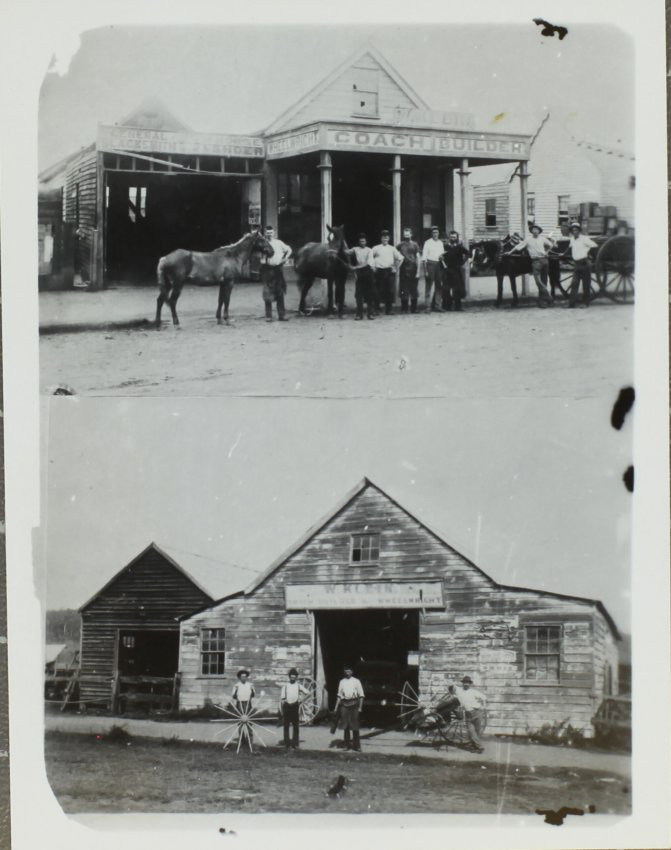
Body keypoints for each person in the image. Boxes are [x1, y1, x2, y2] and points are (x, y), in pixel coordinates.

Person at [507, 223, 555, 307]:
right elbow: (518, 246)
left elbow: (551, 245)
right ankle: (549, 297)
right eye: (533, 229)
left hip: (544, 261)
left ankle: (542, 302)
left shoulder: (543, 239)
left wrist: (546, 252)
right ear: (531, 231)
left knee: (544, 281)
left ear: (539, 231)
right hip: (536, 262)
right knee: (538, 282)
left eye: (537, 229)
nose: (535, 231)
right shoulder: (528, 240)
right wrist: (510, 252)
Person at [260, 224, 292, 322]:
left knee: (280, 292)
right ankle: (269, 316)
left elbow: (289, 249)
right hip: (268, 270)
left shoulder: (279, 243)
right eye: (267, 233)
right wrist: (263, 261)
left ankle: (282, 315)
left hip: (278, 269)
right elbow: (261, 259)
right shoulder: (263, 244)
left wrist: (285, 259)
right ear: (265, 234)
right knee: (267, 293)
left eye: (271, 233)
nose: (269, 234)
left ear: (274, 233)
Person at [565, 222, 597, 307]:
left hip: (585, 263)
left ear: (579, 230)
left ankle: (586, 303)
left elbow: (594, 246)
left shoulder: (585, 239)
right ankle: (571, 304)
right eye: (573, 230)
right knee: (574, 283)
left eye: (576, 230)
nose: (574, 231)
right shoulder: (572, 239)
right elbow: (570, 247)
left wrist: (591, 257)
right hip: (577, 264)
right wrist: (563, 254)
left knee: (586, 284)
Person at [333, 666, 365, 751]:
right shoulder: (342, 682)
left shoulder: (356, 681)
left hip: (354, 705)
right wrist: (336, 707)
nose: (347, 673)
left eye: (349, 671)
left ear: (352, 672)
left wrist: (360, 707)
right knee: (345, 726)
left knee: (355, 726)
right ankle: (347, 745)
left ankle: (357, 746)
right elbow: (339, 696)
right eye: (346, 671)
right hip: (344, 705)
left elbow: (361, 695)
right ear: (344, 672)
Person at [371, 231, 403, 315]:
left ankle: (389, 310)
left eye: (386, 237)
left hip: (389, 271)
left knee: (390, 291)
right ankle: (376, 309)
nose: (385, 238)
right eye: (383, 237)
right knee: (377, 290)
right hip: (379, 271)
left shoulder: (392, 248)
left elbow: (401, 258)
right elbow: (370, 258)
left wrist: (396, 268)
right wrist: (373, 267)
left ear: (389, 238)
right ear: (381, 238)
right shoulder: (376, 248)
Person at [454, 675, 487, 753]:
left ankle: (474, 747)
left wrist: (484, 706)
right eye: (464, 682)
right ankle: (479, 747)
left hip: (477, 712)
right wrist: (453, 682)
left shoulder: (473, 692)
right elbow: (451, 687)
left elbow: (484, 697)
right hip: (468, 714)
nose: (466, 684)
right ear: (462, 683)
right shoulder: (459, 691)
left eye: (468, 683)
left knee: (477, 731)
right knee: (471, 731)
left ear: (470, 684)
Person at [347, 234, 376, 320]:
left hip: (368, 272)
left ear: (366, 242)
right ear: (358, 242)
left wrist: (354, 267)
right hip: (359, 274)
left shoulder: (369, 250)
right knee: (359, 295)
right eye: (360, 241)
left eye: (363, 241)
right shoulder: (355, 249)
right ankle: (359, 314)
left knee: (370, 295)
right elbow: (346, 252)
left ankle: (370, 314)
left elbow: (368, 263)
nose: (362, 243)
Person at [440, 231, 470, 311]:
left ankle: (458, 307)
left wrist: (463, 261)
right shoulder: (445, 246)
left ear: (456, 238)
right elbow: (440, 255)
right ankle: (447, 306)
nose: (453, 239)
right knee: (446, 289)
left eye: (454, 237)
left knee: (457, 288)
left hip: (456, 270)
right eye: (451, 237)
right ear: (449, 238)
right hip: (447, 269)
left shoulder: (459, 247)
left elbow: (468, 253)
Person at [279, 668, 308, 750]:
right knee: (286, 725)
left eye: (294, 677)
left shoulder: (298, 686)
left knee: (296, 726)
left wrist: (302, 699)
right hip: (287, 706)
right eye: (291, 677)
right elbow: (282, 699)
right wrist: (282, 710)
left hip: (295, 706)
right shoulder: (285, 686)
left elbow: (308, 693)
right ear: (289, 677)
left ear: (296, 677)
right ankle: (287, 743)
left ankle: (295, 744)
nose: (292, 678)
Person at [396, 227, 421, 313]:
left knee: (413, 289)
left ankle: (414, 308)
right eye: (405, 235)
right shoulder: (400, 245)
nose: (406, 236)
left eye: (408, 234)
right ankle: (404, 308)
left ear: (411, 235)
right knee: (404, 289)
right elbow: (395, 254)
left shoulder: (415, 244)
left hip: (413, 269)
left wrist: (418, 271)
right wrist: (397, 266)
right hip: (403, 269)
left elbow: (418, 257)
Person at [421, 226, 445, 312]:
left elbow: (442, 255)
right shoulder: (427, 242)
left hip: (438, 265)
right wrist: (425, 271)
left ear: (439, 233)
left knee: (439, 286)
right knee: (429, 286)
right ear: (431, 234)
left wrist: (442, 257)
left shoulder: (440, 243)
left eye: (437, 232)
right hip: (430, 264)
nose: (435, 234)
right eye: (434, 232)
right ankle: (427, 307)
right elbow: (424, 258)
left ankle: (438, 306)